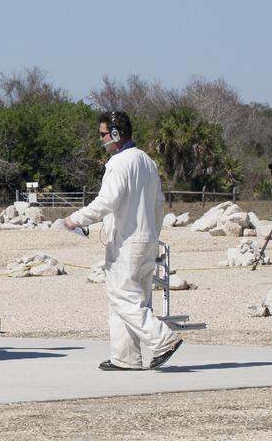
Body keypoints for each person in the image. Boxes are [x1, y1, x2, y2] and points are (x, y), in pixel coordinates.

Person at [64, 110, 183, 371]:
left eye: (103, 134)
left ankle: (163, 339)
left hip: (126, 241)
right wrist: (152, 231)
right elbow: (159, 204)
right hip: (147, 238)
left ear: (116, 135)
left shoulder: (119, 163)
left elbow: (107, 201)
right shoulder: (147, 161)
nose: (101, 140)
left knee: (121, 296)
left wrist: (77, 219)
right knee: (133, 298)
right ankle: (125, 357)